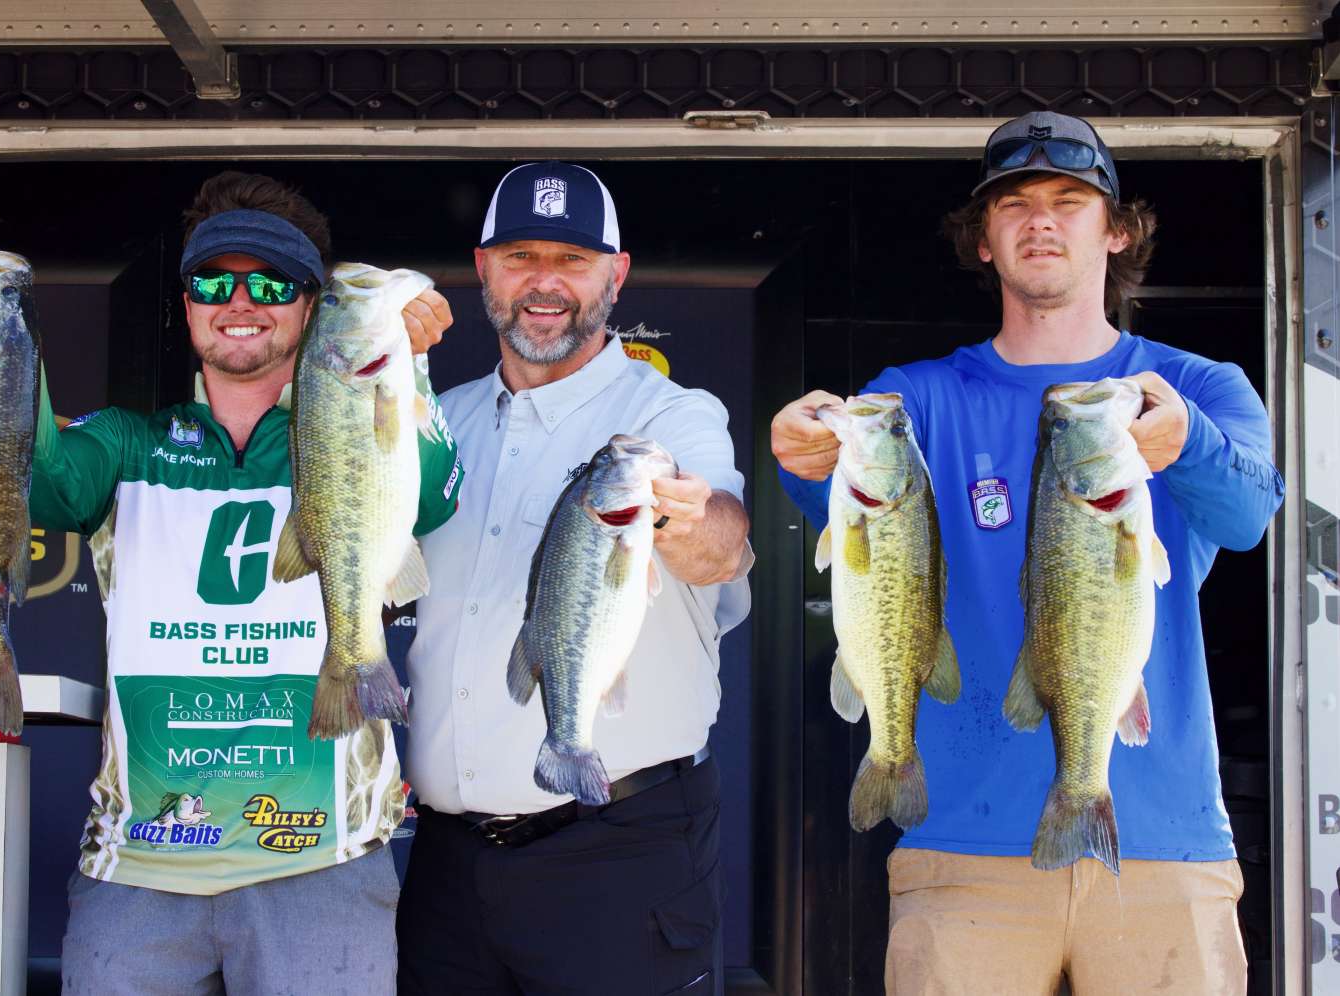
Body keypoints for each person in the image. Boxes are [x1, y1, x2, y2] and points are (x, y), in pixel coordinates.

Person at [771, 111, 1284, 994]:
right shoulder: (915, 399)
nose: (1040, 220)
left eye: (1069, 201)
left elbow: (1247, 517)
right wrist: (800, 453)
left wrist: (1188, 440)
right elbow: (843, 510)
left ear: (1116, 231)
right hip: (962, 850)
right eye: (1013, 204)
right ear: (983, 241)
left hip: (1161, 843)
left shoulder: (1195, 387)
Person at [0, 171, 461, 994]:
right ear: (186, 305)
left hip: (322, 858)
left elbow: (432, 493)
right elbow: (35, 478)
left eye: (272, 284)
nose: (240, 301)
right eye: (214, 281)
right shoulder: (127, 443)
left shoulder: (358, 433)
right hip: (140, 862)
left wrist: (409, 365)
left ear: (312, 305)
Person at [396, 161, 753, 996]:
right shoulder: (436, 424)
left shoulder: (672, 416)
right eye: (521, 257)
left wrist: (684, 516)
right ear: (483, 268)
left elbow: (724, 549)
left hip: (621, 857)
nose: (545, 284)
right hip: (446, 868)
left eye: (573, 260)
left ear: (616, 275)